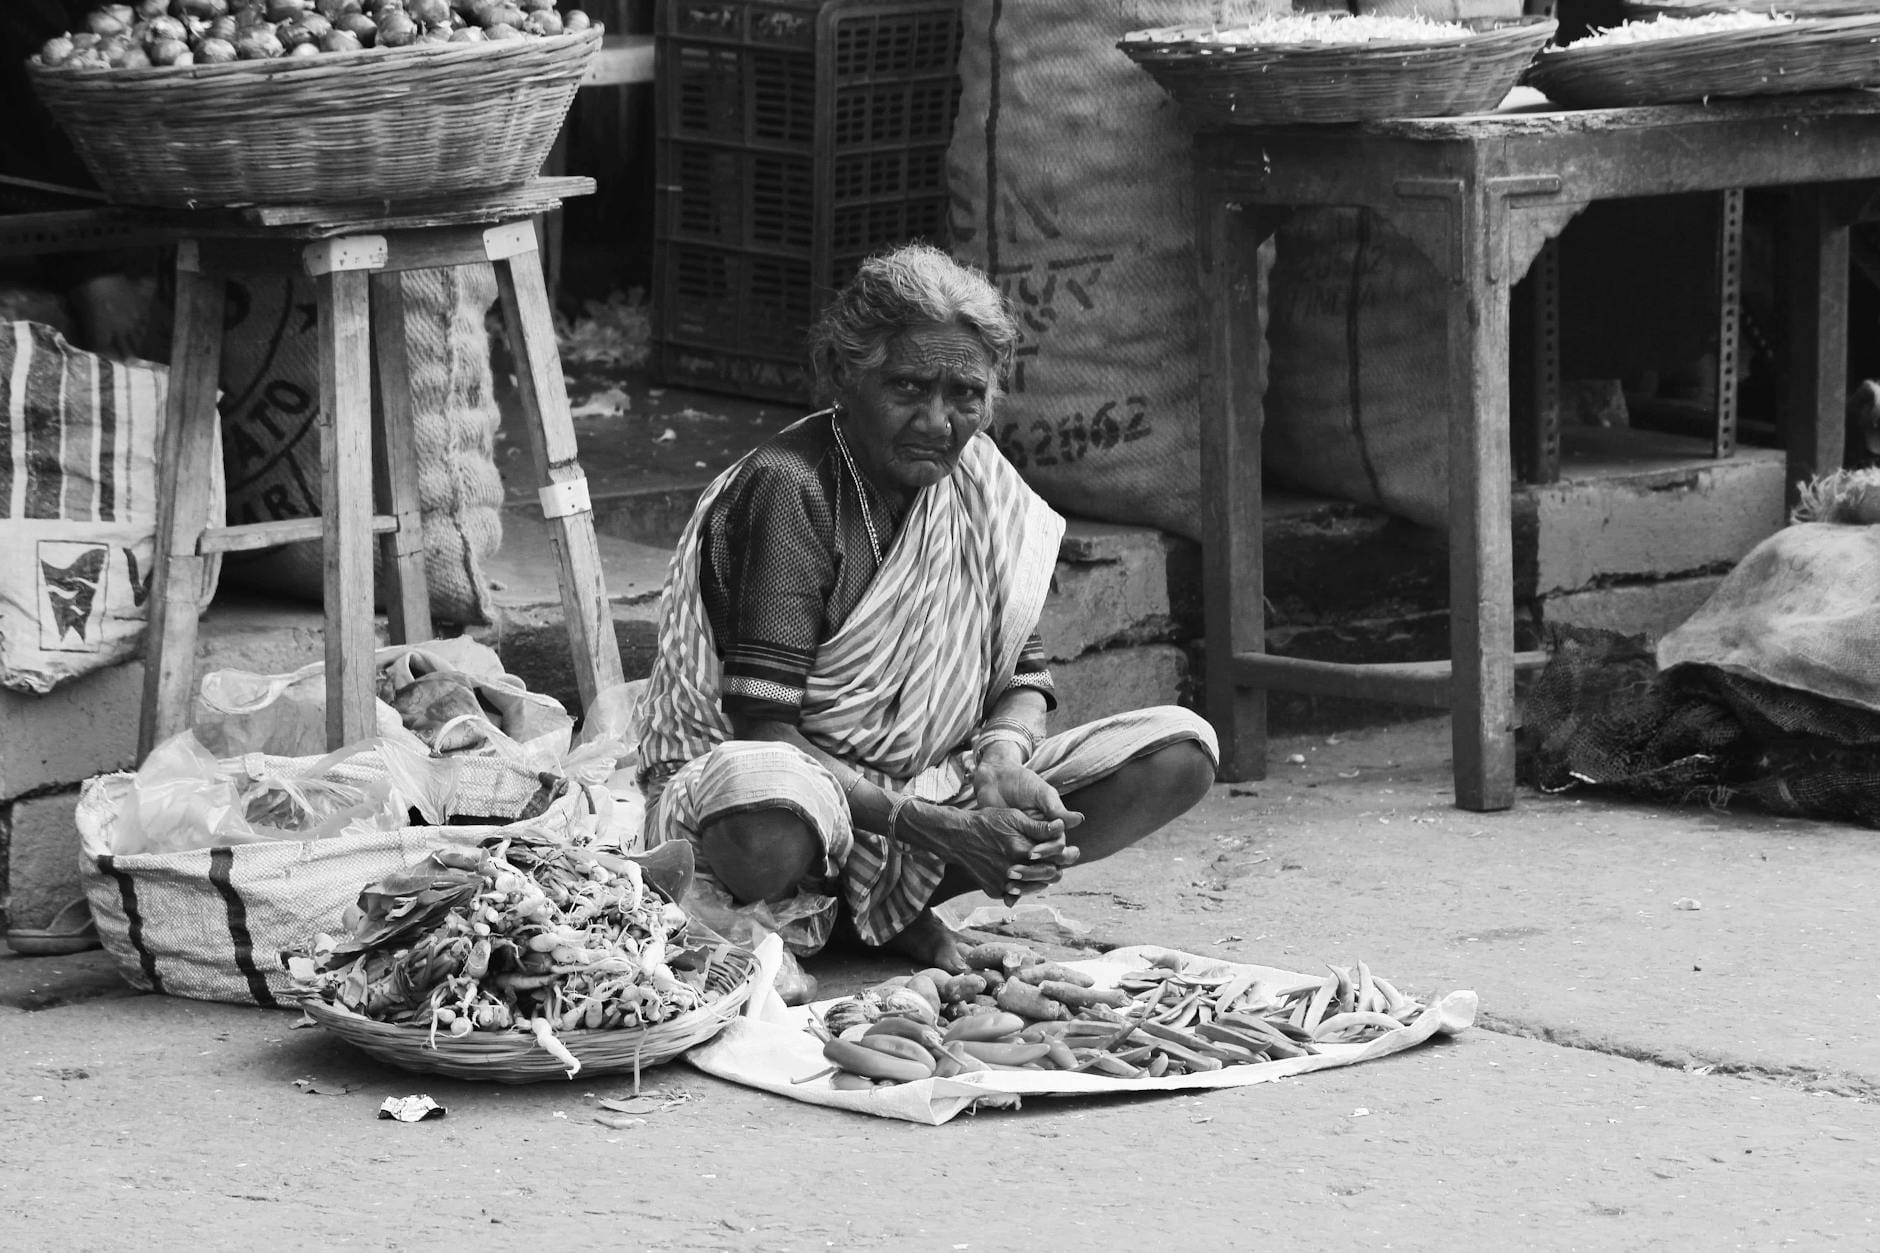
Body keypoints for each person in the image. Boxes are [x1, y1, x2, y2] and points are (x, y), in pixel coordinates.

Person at [634, 243, 1218, 973]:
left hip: (924, 791)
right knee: (769, 825)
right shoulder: (792, 488)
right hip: (772, 791)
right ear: (845, 377)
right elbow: (768, 731)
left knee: (1178, 752)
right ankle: (861, 909)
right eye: (907, 387)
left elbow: (1022, 678)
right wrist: (933, 824)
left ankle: (875, 908)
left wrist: (1001, 763)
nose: (939, 421)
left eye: (965, 395)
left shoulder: (977, 487)